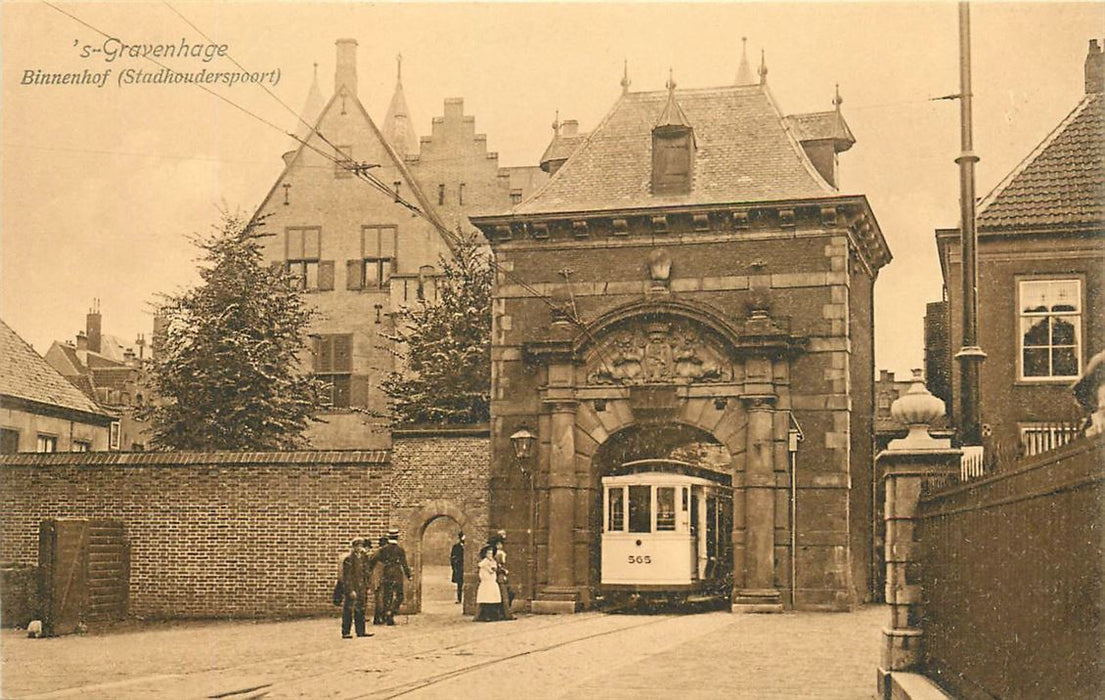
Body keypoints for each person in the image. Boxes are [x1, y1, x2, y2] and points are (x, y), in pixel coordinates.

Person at [371, 528, 412, 626]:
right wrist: (408, 575)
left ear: (389, 537)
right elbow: (404, 564)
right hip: (397, 573)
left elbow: (373, 559)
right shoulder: (400, 550)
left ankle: (386, 614)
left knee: (387, 596)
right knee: (399, 595)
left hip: (387, 573)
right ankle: (391, 612)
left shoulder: (383, 550)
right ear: (397, 537)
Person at [339, 538, 373, 639]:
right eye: (357, 546)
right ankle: (346, 632)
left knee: (361, 609)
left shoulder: (363, 558)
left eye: (361, 546)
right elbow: (347, 576)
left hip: (361, 587)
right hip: (353, 587)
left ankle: (361, 631)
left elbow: (366, 573)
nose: (359, 548)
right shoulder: (349, 559)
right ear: (354, 547)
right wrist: (350, 590)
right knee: (349, 610)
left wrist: (367, 585)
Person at [490, 530, 515, 620]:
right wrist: (503, 570)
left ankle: (504, 613)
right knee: (504, 595)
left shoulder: (500, 553)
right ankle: (507, 614)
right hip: (499, 577)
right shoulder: (498, 554)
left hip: (501, 576)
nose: (501, 546)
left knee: (508, 594)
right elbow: (497, 566)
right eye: (499, 544)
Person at [474, 544, 502, 621]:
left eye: (491, 553)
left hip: (492, 582)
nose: (490, 555)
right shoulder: (484, 563)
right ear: (485, 554)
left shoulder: (493, 562)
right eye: (488, 553)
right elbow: (487, 570)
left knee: (493, 599)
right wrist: (490, 568)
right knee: (486, 599)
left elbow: (494, 569)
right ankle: (486, 616)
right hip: (486, 583)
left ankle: (493, 615)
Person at [371, 536, 388, 625]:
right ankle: (378, 618)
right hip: (379, 576)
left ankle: (379, 617)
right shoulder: (379, 553)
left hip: (380, 576)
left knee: (380, 597)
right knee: (380, 598)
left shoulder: (378, 552)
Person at [450, 532, 465, 604]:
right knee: (460, 584)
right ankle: (459, 599)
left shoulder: (469, 546)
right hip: (459, 568)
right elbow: (452, 558)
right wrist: (454, 567)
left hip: (466, 567)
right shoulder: (456, 547)